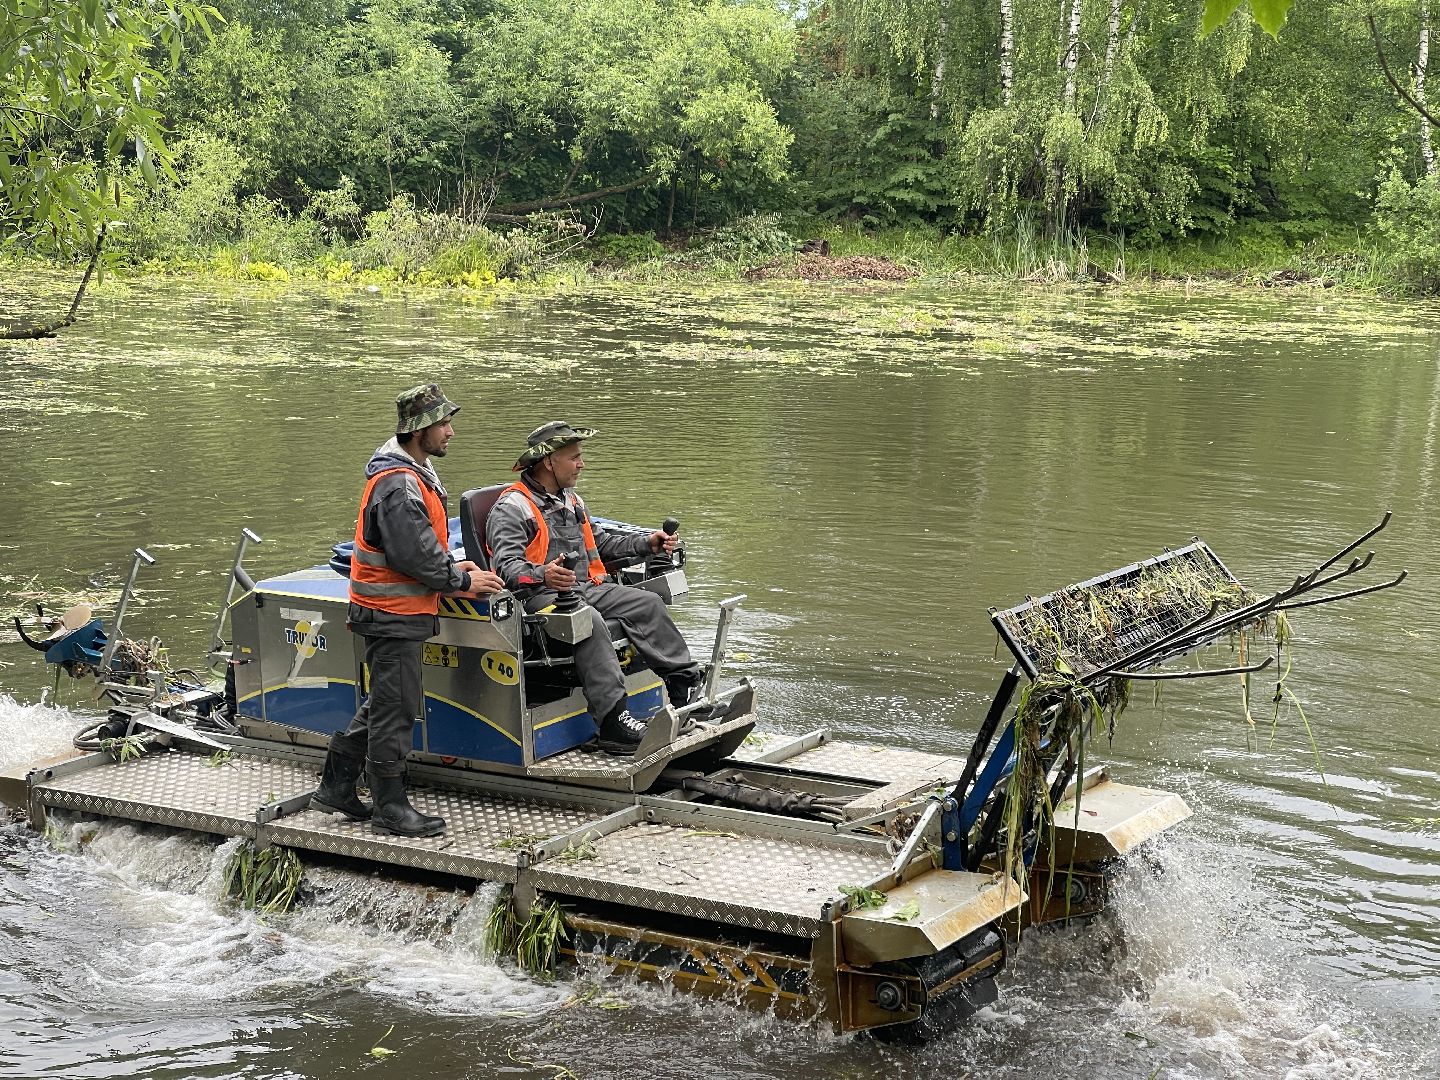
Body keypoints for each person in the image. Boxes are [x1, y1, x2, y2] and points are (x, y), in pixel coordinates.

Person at [310, 383, 504, 836]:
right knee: (396, 710)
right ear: (420, 431)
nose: (451, 432)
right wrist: (463, 579)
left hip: (392, 610)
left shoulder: (410, 473)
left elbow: (420, 546)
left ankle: (336, 787)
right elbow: (413, 557)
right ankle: (390, 809)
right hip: (392, 614)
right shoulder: (399, 485)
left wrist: (454, 564)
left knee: (386, 701)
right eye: (444, 424)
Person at [485, 421, 706, 754]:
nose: (581, 464)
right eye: (574, 457)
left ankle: (683, 690)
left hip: (583, 588)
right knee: (588, 621)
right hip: (536, 600)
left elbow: (601, 544)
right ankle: (614, 722)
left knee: (647, 603)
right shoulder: (510, 509)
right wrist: (544, 575)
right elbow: (507, 569)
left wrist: (648, 544)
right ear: (548, 461)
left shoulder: (571, 501)